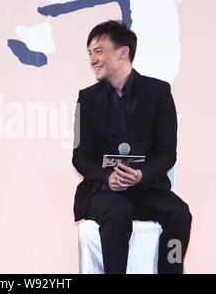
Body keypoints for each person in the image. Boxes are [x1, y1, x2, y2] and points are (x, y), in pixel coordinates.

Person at [72, 20, 192, 274]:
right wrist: (107, 178)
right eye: (90, 53)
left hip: (145, 188)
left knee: (180, 213)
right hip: (102, 191)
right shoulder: (86, 98)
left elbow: (167, 151)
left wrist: (142, 174)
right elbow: (80, 156)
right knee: (117, 210)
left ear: (123, 52)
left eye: (99, 51)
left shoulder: (158, 92)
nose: (93, 59)